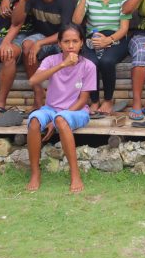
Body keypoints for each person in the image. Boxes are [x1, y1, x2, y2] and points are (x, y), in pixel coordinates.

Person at [25, 24, 96, 194]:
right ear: (59, 44)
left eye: (75, 41)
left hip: (77, 111)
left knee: (61, 119)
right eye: (66, 41)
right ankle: (35, 173)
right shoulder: (51, 61)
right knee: (34, 120)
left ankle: (75, 174)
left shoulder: (88, 66)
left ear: (82, 43)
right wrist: (62, 64)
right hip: (50, 109)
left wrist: (58, 118)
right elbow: (33, 81)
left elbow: (83, 100)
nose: (71, 45)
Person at [13, 0, 76, 110]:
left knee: (70, 52)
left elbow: (65, 34)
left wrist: (40, 43)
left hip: (62, 40)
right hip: (42, 36)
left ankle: (66, 100)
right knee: (27, 45)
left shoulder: (65, 1)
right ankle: (38, 92)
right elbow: (15, 21)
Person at [73, 0, 131, 115]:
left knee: (107, 61)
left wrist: (108, 40)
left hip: (116, 37)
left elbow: (124, 28)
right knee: (90, 63)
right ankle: (94, 101)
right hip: (93, 37)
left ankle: (108, 100)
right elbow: (76, 21)